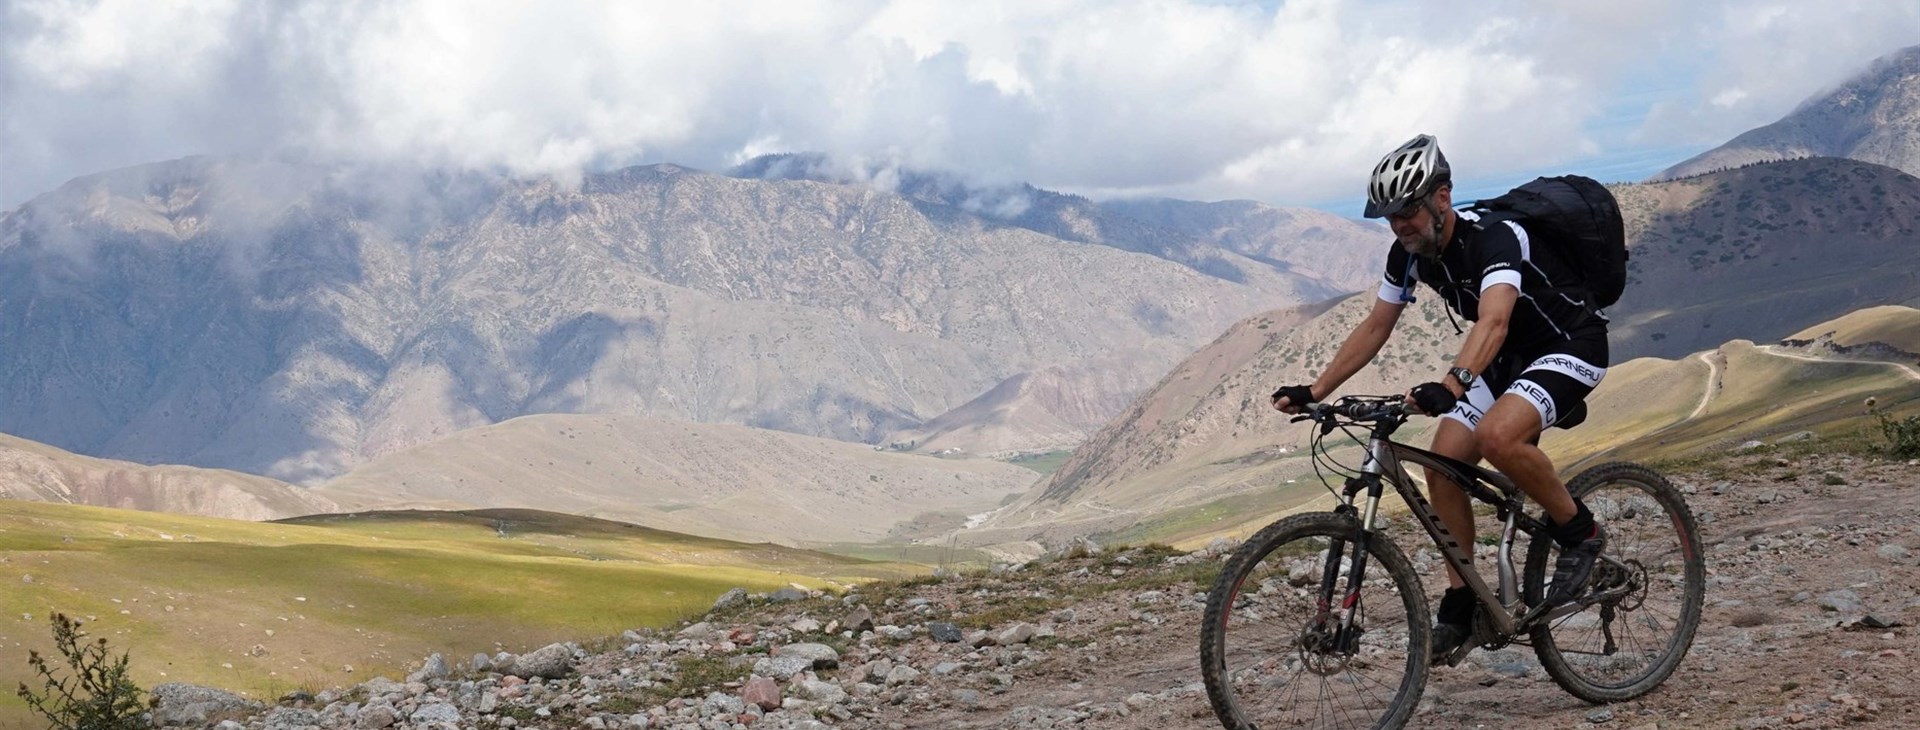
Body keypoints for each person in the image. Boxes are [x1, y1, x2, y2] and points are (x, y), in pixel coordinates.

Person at [1269, 134, 1610, 665]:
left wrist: (1451, 385)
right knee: (1442, 463)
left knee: (1498, 436)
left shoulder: (1498, 237)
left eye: (1407, 211)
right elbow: (1377, 325)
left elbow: (1495, 319)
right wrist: (1315, 391)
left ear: (1442, 199)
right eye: (1390, 218)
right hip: (1499, 363)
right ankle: (1464, 600)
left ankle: (1580, 532)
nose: (1399, 225)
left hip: (1568, 343)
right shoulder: (1408, 255)